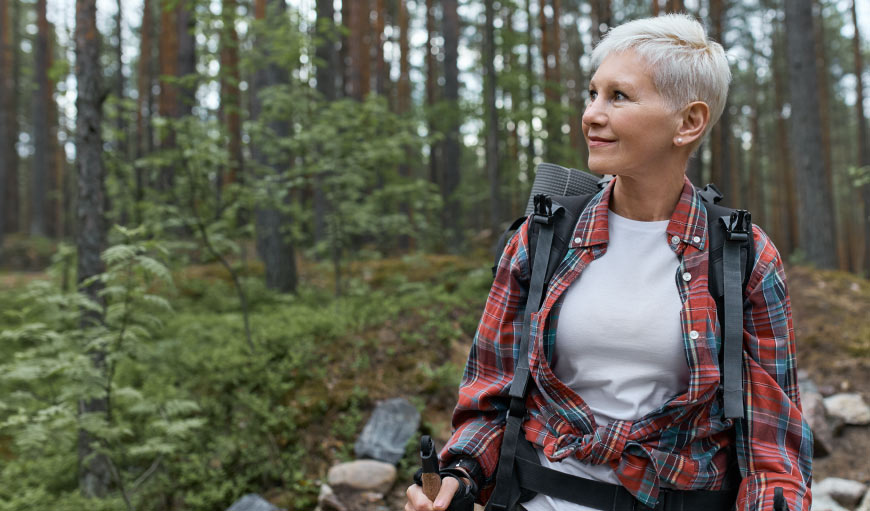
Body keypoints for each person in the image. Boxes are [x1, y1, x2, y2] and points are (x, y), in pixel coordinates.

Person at [405, 13, 812, 511]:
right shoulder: (543, 236)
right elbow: (489, 401)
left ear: (689, 122)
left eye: (618, 97)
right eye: (592, 93)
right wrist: (458, 477)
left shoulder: (742, 256)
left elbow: (773, 451)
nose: (592, 114)